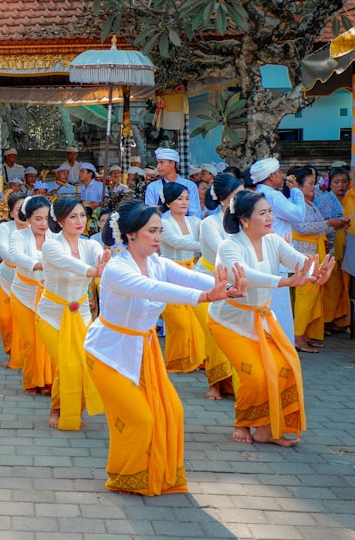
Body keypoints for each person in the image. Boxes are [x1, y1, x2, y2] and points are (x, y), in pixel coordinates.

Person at [84, 200, 244, 496]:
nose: (158, 237)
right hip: (107, 352)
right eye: (152, 231)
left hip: (142, 349)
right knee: (140, 419)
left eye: (160, 231)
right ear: (131, 234)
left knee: (173, 411)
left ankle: (155, 473)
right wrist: (207, 296)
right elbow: (154, 290)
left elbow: (192, 277)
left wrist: (231, 287)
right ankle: (125, 476)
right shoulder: (117, 269)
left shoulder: (158, 263)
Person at [208, 190, 334, 446]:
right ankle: (243, 422)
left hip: (262, 319)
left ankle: (266, 430)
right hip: (229, 322)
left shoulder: (272, 240)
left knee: (284, 368)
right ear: (244, 220)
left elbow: (298, 261)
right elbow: (245, 276)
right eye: (263, 213)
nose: (269, 218)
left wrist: (315, 271)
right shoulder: (229, 246)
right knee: (254, 374)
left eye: (270, 212)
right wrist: (285, 280)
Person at [39, 196, 110, 431]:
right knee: (66, 365)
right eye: (73, 216)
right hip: (51, 315)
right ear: (60, 221)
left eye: (82, 215)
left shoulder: (90, 245)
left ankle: (73, 409)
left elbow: (102, 260)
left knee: (81, 365)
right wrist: (93, 271)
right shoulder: (51, 245)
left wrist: (105, 266)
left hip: (80, 314)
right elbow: (69, 264)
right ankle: (57, 408)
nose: (79, 221)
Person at [196, 173, 243, 399]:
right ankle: (215, 383)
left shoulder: (244, 222)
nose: (243, 198)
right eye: (237, 195)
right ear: (224, 200)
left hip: (233, 283)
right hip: (207, 281)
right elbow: (221, 251)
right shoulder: (209, 223)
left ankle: (232, 382)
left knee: (233, 335)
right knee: (213, 336)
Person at [157, 182, 208, 377]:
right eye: (179, 198)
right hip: (171, 273)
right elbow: (175, 242)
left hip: (192, 271)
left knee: (200, 317)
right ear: (169, 202)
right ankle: (178, 361)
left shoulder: (195, 222)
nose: (184, 202)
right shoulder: (163, 223)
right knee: (180, 322)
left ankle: (201, 358)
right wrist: (203, 246)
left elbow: (205, 239)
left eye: (187, 198)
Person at [251, 157, 305, 340]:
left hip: (264, 253)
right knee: (278, 308)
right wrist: (296, 191)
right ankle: (281, 345)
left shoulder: (259, 193)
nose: (281, 175)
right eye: (279, 172)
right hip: (277, 256)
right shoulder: (273, 195)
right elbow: (298, 215)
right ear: (271, 175)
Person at [7, 196, 54, 394]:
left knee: (46, 338)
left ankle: (48, 381)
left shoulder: (54, 237)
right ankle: (31, 381)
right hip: (23, 293)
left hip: (48, 295)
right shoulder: (19, 236)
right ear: (28, 218)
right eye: (38, 219)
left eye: (46, 218)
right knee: (29, 340)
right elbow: (15, 255)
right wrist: (36, 264)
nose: (43, 224)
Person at [288, 166, 336, 352]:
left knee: (311, 296)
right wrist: (328, 223)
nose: (313, 187)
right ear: (298, 186)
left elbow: (316, 228)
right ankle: (297, 337)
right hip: (303, 254)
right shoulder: (297, 204)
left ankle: (304, 333)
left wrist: (333, 226)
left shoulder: (310, 204)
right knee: (305, 296)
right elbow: (303, 228)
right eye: (309, 183)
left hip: (313, 252)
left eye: (314, 183)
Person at [0, 193, 28, 365]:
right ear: (11, 212)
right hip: (5, 279)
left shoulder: (36, 228)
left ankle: (26, 356)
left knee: (25, 319)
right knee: (7, 319)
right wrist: (25, 261)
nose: (22, 212)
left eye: (25, 208)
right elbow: (2, 249)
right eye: (18, 209)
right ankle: (14, 353)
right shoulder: (5, 228)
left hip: (28, 282)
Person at [315, 166, 352, 336]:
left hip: (347, 248)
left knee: (342, 286)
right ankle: (325, 322)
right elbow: (320, 223)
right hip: (329, 247)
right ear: (329, 183)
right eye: (336, 182)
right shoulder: (324, 200)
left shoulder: (351, 199)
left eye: (344, 181)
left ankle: (339, 319)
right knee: (330, 286)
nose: (341, 185)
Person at [144, 148, 201, 217]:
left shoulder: (190, 186)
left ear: (172, 163)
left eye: (161, 162)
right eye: (158, 163)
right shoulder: (153, 187)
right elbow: (149, 214)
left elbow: (195, 214)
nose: (158, 167)